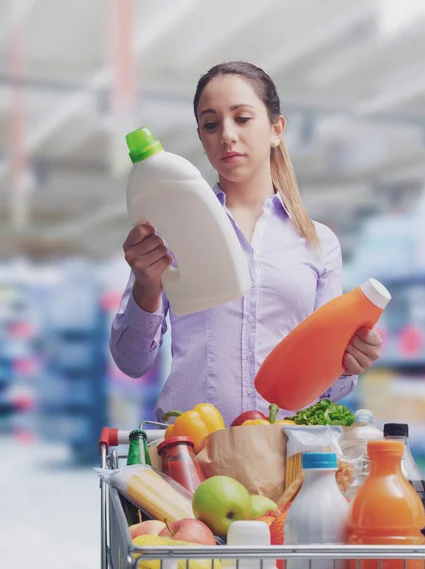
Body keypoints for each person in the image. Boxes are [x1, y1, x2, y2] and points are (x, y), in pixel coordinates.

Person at [110, 61, 382, 426]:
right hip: (188, 453)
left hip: (283, 457)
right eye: (211, 124)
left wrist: (349, 364)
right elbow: (131, 363)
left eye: (242, 118)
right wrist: (147, 286)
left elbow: (328, 389)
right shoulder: (170, 227)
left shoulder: (318, 243)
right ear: (201, 138)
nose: (226, 135)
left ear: (276, 129)